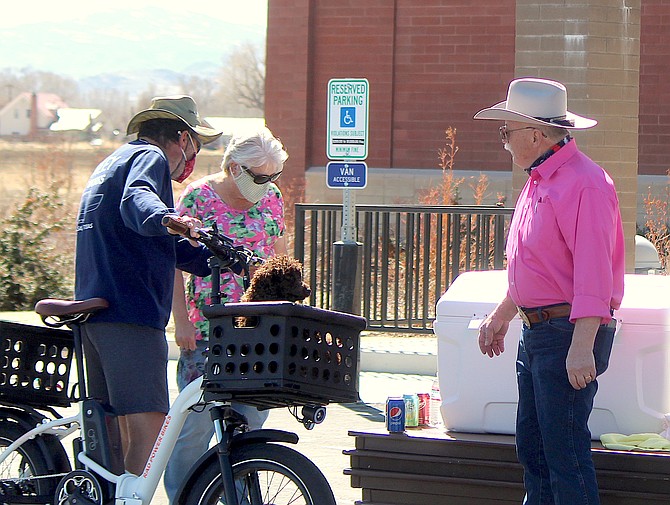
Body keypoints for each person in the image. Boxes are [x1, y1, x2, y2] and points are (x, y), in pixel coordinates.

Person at [473, 78, 625, 505]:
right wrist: (503, 314)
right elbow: (535, 267)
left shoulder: (584, 183)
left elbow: (594, 272)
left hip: (566, 333)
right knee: (536, 451)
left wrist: (582, 344)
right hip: (542, 332)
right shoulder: (541, 180)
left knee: (564, 456)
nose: (504, 142)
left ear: (536, 134)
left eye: (507, 133)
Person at [74, 95, 222, 475]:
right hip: (131, 313)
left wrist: (210, 258)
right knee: (150, 427)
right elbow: (137, 202)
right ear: (180, 137)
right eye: (196, 143)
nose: (193, 156)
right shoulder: (151, 159)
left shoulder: (113, 161)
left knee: (116, 436)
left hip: (99, 312)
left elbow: (148, 238)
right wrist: (167, 216)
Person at [163, 126, 289, 502]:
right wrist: (181, 321)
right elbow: (173, 263)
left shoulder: (272, 199)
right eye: (260, 176)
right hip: (206, 330)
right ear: (235, 167)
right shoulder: (198, 197)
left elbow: (279, 260)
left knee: (250, 423)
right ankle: (184, 498)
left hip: (258, 332)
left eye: (274, 176)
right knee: (195, 428)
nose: (267, 183)